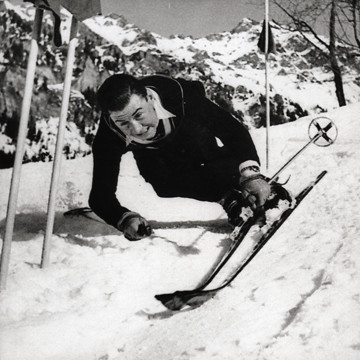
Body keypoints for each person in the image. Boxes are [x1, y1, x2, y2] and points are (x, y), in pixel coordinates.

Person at [89, 73, 285, 241]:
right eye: (123, 123)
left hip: (191, 134)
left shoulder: (181, 98)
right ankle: (228, 198)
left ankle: (259, 190)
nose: (136, 129)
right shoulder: (110, 135)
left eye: (139, 115)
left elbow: (232, 131)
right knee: (163, 184)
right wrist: (123, 218)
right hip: (155, 157)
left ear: (149, 98)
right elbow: (100, 196)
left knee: (205, 155)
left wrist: (250, 174)